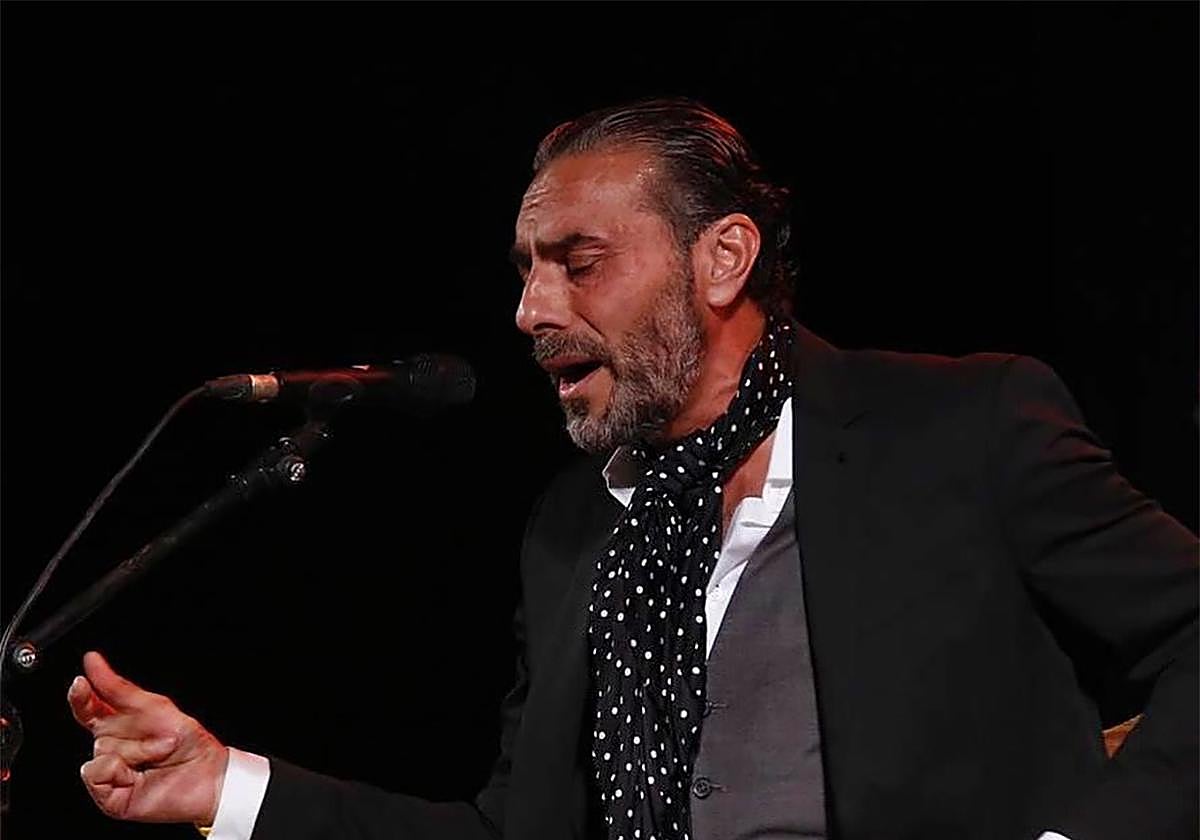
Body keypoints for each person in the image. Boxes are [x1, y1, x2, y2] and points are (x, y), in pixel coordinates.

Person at [68, 98, 1198, 840]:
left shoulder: (960, 425)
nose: (530, 310)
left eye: (580, 263)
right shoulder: (575, 528)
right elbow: (518, 831)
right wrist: (228, 785)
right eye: (526, 270)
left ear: (723, 257)